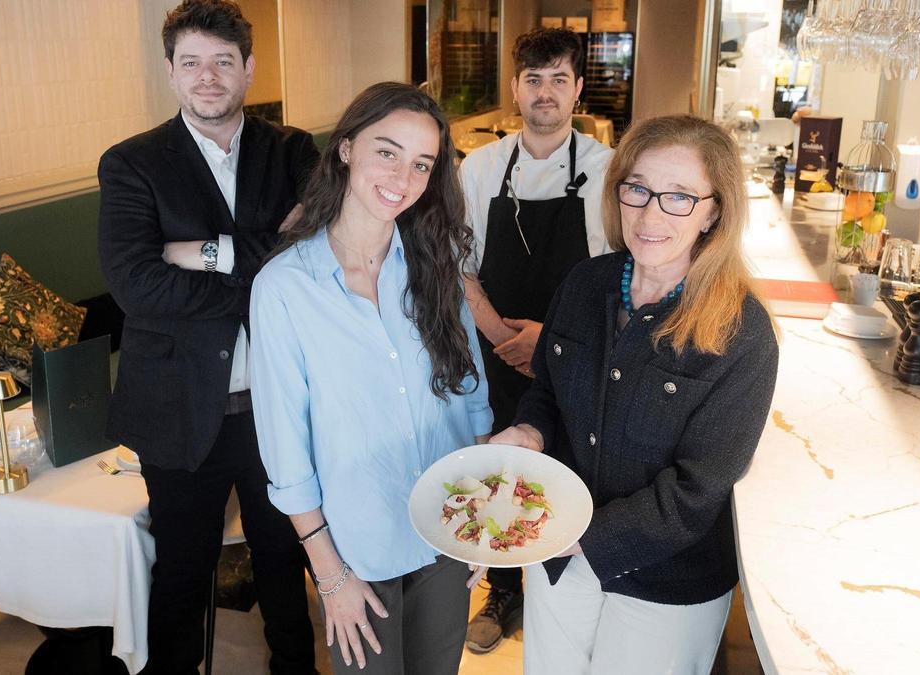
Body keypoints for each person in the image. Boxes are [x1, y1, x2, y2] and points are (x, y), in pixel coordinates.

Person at [492, 114, 779, 674]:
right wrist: (530, 431)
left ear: (714, 211)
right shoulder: (585, 284)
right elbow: (548, 390)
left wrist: (578, 535)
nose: (650, 215)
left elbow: (698, 489)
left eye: (679, 197)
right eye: (638, 189)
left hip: (666, 580)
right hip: (560, 558)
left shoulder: (742, 332)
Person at [96, 1, 319, 673]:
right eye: (191, 62)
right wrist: (259, 263)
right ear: (170, 71)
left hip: (276, 406)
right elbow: (137, 286)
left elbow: (313, 257)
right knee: (181, 569)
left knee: (283, 555)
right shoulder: (131, 163)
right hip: (176, 405)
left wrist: (201, 252)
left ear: (249, 68)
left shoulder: (292, 151)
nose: (208, 77)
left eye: (223, 61)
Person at [249, 82, 493, 674]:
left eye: (421, 164)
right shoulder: (284, 289)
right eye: (387, 152)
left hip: (448, 528)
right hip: (359, 553)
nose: (402, 178)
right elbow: (286, 453)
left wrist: (482, 522)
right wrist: (330, 576)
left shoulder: (436, 267)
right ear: (345, 149)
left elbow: (472, 400)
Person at [457, 26, 612, 653]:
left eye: (558, 79)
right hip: (497, 352)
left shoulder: (607, 170)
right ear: (515, 89)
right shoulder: (480, 167)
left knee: (570, 464)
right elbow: (457, 267)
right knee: (502, 466)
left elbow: (617, 276)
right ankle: (502, 588)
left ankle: (565, 587)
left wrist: (548, 341)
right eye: (533, 80)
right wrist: (503, 337)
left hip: (580, 349)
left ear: (578, 89)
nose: (545, 92)